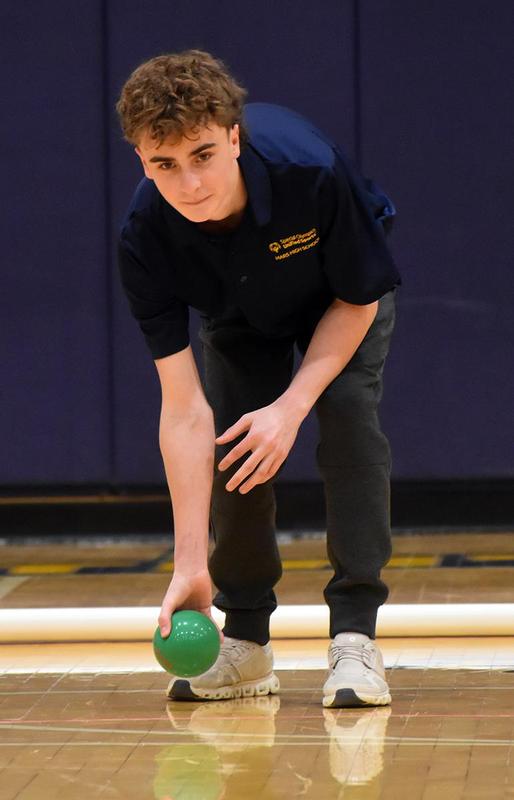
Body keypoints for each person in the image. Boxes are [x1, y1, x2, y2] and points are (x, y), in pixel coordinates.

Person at [116, 49, 401, 708]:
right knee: (234, 448)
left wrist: (293, 405)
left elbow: (359, 298)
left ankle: (354, 637)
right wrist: (189, 562)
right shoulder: (144, 237)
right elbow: (184, 410)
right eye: (164, 165)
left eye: (204, 156)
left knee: (349, 416)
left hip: (340, 300)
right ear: (140, 159)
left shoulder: (309, 170)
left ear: (233, 137)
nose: (189, 184)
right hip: (239, 315)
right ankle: (245, 639)